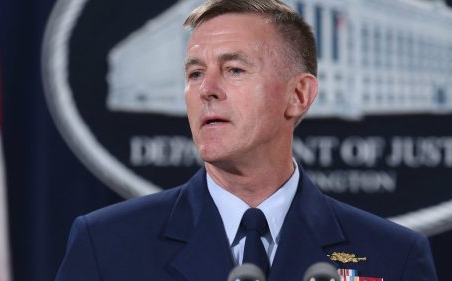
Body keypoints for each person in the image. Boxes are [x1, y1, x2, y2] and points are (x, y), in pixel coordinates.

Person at [55, 0, 438, 280]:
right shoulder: (106, 245)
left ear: (298, 96)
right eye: (194, 73)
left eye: (234, 70)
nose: (206, 89)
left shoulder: (393, 256)